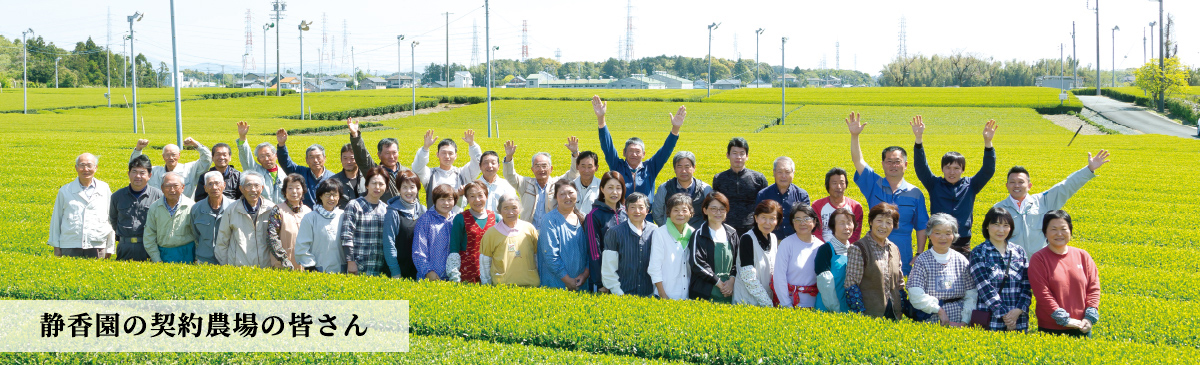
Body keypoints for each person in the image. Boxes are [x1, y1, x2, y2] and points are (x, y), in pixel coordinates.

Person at [846, 112, 929, 274]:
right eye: (889, 161)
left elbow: (921, 226)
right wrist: (854, 136)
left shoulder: (915, 193)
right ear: (883, 164)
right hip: (873, 251)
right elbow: (858, 161)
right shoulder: (873, 183)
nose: (893, 165)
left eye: (897, 162)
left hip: (902, 254)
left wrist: (919, 253)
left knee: (899, 294)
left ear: (905, 165)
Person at [994, 150, 1110, 258]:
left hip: (1041, 264)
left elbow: (1066, 186)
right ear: (1007, 185)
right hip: (1012, 266)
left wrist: (1089, 169)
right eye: (1012, 182)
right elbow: (992, 239)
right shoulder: (998, 209)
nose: (1017, 185)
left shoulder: (1042, 201)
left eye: (1021, 182)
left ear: (1029, 186)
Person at [912, 117, 997, 253]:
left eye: (957, 168)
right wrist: (918, 139)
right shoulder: (934, 184)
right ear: (942, 169)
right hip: (937, 240)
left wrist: (988, 142)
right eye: (948, 167)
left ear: (963, 170)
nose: (952, 172)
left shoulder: (971, 185)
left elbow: (988, 170)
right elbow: (921, 166)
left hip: (962, 243)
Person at [593, 95, 687, 206]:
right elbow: (607, 146)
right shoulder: (617, 166)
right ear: (624, 152)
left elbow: (666, 151)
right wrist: (601, 119)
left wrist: (675, 128)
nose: (634, 154)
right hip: (622, 216)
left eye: (637, 152)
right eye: (630, 151)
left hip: (645, 217)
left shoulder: (650, 167)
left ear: (643, 154)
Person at [1029, 210, 1101, 337]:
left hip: (1082, 326)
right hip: (1051, 329)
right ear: (1045, 232)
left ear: (1070, 231)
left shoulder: (1082, 255)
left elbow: (1093, 288)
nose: (1059, 234)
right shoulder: (1039, 259)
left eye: (1063, 229)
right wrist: (1064, 319)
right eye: (1053, 229)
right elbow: (1042, 294)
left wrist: (1089, 317)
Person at [907, 213, 978, 326]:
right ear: (929, 235)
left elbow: (971, 294)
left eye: (948, 233)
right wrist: (939, 310)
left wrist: (965, 321)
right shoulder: (922, 260)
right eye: (937, 233)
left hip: (960, 320)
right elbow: (915, 294)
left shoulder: (961, 260)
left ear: (954, 236)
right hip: (932, 319)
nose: (943, 237)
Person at [969, 207, 1032, 332]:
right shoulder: (979, 252)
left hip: (1018, 318)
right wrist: (1005, 315)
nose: (1001, 230)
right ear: (987, 226)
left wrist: (1018, 310)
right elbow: (984, 286)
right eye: (996, 225)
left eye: (1005, 225)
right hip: (990, 318)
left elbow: (1027, 284)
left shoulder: (1019, 251)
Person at [844, 203, 906, 320]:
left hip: (894, 314)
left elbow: (900, 283)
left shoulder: (894, 248)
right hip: (870, 315)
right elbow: (851, 285)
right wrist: (860, 315)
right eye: (879, 221)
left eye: (888, 222)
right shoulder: (859, 248)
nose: (883, 226)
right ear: (871, 222)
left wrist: (901, 310)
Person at [49, 153, 114, 259]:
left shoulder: (104, 188)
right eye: (82, 165)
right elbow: (56, 219)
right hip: (70, 245)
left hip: (97, 245)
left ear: (96, 168)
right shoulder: (65, 191)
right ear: (76, 168)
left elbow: (110, 218)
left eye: (89, 165)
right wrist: (56, 247)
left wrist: (110, 246)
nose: (85, 169)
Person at [502, 139, 579, 225]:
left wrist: (575, 153)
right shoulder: (525, 183)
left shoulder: (558, 184)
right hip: (529, 231)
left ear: (551, 169)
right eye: (537, 166)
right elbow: (510, 175)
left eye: (544, 166)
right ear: (532, 169)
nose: (541, 169)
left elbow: (574, 173)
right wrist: (509, 157)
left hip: (551, 230)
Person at [215, 171, 277, 267]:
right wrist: (227, 265)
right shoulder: (232, 210)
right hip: (238, 268)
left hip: (266, 267)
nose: (253, 189)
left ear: (262, 188)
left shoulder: (271, 209)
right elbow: (222, 241)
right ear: (241, 189)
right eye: (249, 185)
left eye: (257, 185)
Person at [601, 192, 657, 297]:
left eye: (641, 207)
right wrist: (618, 293)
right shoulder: (615, 232)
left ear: (647, 210)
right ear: (626, 210)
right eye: (632, 207)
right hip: (622, 294)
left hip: (649, 294)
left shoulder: (655, 231)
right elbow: (608, 268)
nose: (637, 211)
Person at [688, 192, 740, 302]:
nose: (718, 212)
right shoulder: (699, 234)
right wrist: (719, 283)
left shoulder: (732, 233)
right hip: (706, 290)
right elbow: (697, 263)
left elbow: (738, 261)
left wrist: (731, 281)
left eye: (722, 209)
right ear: (705, 210)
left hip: (730, 289)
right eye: (713, 208)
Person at [412, 129, 483, 210]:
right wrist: (425, 148)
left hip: (456, 220)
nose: (447, 156)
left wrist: (472, 144)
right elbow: (417, 167)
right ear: (437, 154)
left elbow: (478, 164)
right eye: (443, 153)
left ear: (455, 156)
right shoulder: (430, 174)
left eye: (450, 153)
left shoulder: (462, 173)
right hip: (434, 219)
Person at [479, 193, 540, 287]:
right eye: (506, 208)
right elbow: (485, 262)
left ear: (520, 209)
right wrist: (486, 284)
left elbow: (537, 257)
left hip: (530, 284)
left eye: (514, 208)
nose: (510, 212)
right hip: (502, 286)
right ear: (499, 210)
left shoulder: (529, 228)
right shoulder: (491, 233)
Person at [340, 166, 392, 276]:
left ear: (386, 187)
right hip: (357, 266)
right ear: (367, 185)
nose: (377, 187)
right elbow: (346, 235)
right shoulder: (354, 205)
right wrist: (351, 262)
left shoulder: (386, 209)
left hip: (378, 267)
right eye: (374, 183)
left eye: (381, 184)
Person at [537, 179, 589, 290]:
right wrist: (566, 279)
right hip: (556, 283)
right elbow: (550, 254)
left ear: (577, 193)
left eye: (570, 193)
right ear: (556, 197)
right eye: (562, 194)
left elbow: (591, 251)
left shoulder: (584, 218)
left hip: (582, 282)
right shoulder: (550, 220)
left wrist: (585, 274)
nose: (567, 197)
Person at [110, 155, 163, 261]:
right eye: (134, 172)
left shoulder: (158, 196)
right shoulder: (117, 196)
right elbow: (113, 219)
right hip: (124, 246)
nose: (138, 176)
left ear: (149, 175)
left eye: (142, 173)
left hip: (149, 246)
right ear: (128, 174)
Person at [713, 137, 769, 236]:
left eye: (742, 153)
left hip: (753, 230)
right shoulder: (719, 178)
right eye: (734, 153)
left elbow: (765, 206)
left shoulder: (758, 178)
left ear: (747, 156)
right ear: (728, 155)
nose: (738, 157)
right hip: (726, 229)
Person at [732, 200, 782, 307]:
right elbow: (748, 277)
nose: (767, 223)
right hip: (747, 302)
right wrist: (768, 303)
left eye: (772, 218)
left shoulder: (773, 238)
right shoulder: (747, 239)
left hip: (766, 300)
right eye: (763, 217)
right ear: (756, 218)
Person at [773, 204, 823, 308]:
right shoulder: (786, 244)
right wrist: (786, 304)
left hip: (815, 305)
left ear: (814, 222)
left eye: (806, 219)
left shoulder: (821, 246)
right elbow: (779, 277)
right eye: (798, 219)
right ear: (793, 222)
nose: (802, 223)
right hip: (790, 303)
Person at [585, 172, 628, 293]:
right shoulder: (594, 216)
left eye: (618, 188)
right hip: (605, 280)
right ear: (602, 189)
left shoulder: (626, 213)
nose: (614, 192)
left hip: (626, 277)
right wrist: (600, 282)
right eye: (610, 187)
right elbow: (594, 252)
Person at [346, 118, 409, 200]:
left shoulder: (407, 172)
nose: (391, 156)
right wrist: (355, 136)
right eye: (387, 153)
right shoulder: (376, 172)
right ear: (379, 155)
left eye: (394, 153)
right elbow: (363, 158)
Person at [648, 193, 696, 300]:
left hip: (687, 296)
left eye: (684, 210)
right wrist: (662, 294)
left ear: (691, 213)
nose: (680, 214)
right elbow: (654, 267)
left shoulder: (693, 233)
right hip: (665, 295)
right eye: (676, 210)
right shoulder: (660, 233)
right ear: (669, 213)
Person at [447, 181, 497, 283]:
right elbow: (454, 248)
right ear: (467, 199)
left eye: (480, 195)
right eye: (472, 196)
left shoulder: (496, 218)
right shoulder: (460, 218)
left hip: (491, 269)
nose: (477, 200)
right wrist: (455, 275)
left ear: (486, 196)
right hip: (468, 271)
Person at [130, 137, 212, 199]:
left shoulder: (190, 169)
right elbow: (136, 166)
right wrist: (138, 149)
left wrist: (196, 144)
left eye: (173, 155)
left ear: (179, 155)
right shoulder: (154, 172)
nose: (171, 158)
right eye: (167, 155)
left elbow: (207, 160)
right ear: (163, 157)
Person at [143, 173, 197, 263]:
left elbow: (198, 235)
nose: (172, 190)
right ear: (162, 188)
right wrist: (157, 259)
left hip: (187, 254)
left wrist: (196, 258)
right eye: (168, 186)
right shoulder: (155, 207)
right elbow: (149, 235)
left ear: (182, 187)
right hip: (162, 254)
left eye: (176, 186)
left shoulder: (192, 206)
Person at [383, 170, 427, 279]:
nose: (409, 191)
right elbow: (389, 243)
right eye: (404, 187)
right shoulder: (393, 212)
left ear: (417, 189)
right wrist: (395, 271)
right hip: (398, 270)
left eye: (412, 187)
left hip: (418, 270)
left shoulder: (423, 210)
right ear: (398, 189)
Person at [295, 179, 347, 273]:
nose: (331, 198)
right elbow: (302, 246)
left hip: (341, 270)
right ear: (320, 196)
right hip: (318, 270)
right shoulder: (310, 218)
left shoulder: (344, 216)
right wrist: (311, 267)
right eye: (327, 194)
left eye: (335, 195)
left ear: (339, 197)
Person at [275, 128, 336, 208]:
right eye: (311, 157)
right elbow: (286, 163)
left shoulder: (333, 177)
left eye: (318, 157)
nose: (315, 160)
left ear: (324, 158)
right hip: (304, 215)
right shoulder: (300, 172)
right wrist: (282, 145)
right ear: (306, 160)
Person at [652, 151, 712, 229]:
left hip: (698, 236)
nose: (683, 171)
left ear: (694, 168)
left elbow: (711, 213)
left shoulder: (705, 189)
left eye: (687, 167)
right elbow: (657, 213)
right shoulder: (664, 188)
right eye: (679, 166)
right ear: (674, 169)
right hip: (671, 235)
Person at [412, 184, 460, 281]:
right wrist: (428, 271)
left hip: (453, 278)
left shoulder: (456, 219)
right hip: (430, 277)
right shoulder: (426, 219)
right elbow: (418, 250)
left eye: (450, 199)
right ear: (435, 200)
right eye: (442, 199)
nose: (446, 203)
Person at [756, 156, 811, 238]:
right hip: (770, 242)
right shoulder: (763, 195)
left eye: (787, 172)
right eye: (780, 172)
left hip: (795, 241)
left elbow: (806, 221)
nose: (783, 176)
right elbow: (758, 221)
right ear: (774, 172)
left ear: (793, 173)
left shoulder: (802, 195)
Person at [815, 207, 857, 312]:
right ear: (833, 226)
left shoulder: (853, 250)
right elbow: (825, 283)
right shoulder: (826, 249)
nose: (847, 227)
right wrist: (836, 309)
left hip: (847, 308)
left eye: (849, 223)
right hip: (828, 308)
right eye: (842, 223)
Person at [266, 173, 311, 270]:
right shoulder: (277, 210)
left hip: (305, 264)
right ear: (285, 191)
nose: (294, 192)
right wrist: (283, 259)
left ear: (303, 190)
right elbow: (272, 237)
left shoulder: (308, 211)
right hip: (283, 264)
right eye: (290, 188)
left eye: (298, 188)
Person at [235, 122, 286, 204]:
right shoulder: (255, 171)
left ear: (275, 155)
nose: (266, 159)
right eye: (262, 156)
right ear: (258, 160)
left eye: (268, 155)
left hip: (281, 212)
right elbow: (246, 157)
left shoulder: (284, 173)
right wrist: (242, 136)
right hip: (262, 212)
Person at [191, 171, 235, 265]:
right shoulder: (196, 209)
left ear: (224, 185)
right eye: (210, 184)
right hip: (204, 260)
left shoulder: (234, 207)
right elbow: (196, 234)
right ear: (205, 188)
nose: (214, 187)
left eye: (217, 183)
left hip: (229, 259)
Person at [812, 168, 863, 244]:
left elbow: (855, 234)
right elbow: (816, 233)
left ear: (846, 185)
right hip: (823, 248)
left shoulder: (856, 207)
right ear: (827, 185)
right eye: (834, 183)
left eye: (842, 183)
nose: (838, 187)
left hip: (846, 249)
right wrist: (826, 249)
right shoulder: (817, 206)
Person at [331, 143, 366, 210]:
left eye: (352, 158)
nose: (348, 162)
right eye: (345, 158)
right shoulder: (333, 181)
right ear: (341, 159)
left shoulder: (367, 178)